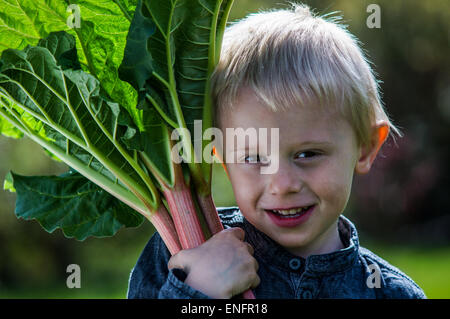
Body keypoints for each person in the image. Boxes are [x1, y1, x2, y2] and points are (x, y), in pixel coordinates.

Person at [127, 3, 426, 299]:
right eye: (254, 158)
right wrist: (197, 291)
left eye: (307, 154)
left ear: (366, 147)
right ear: (219, 155)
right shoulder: (181, 253)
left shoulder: (392, 293)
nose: (282, 185)